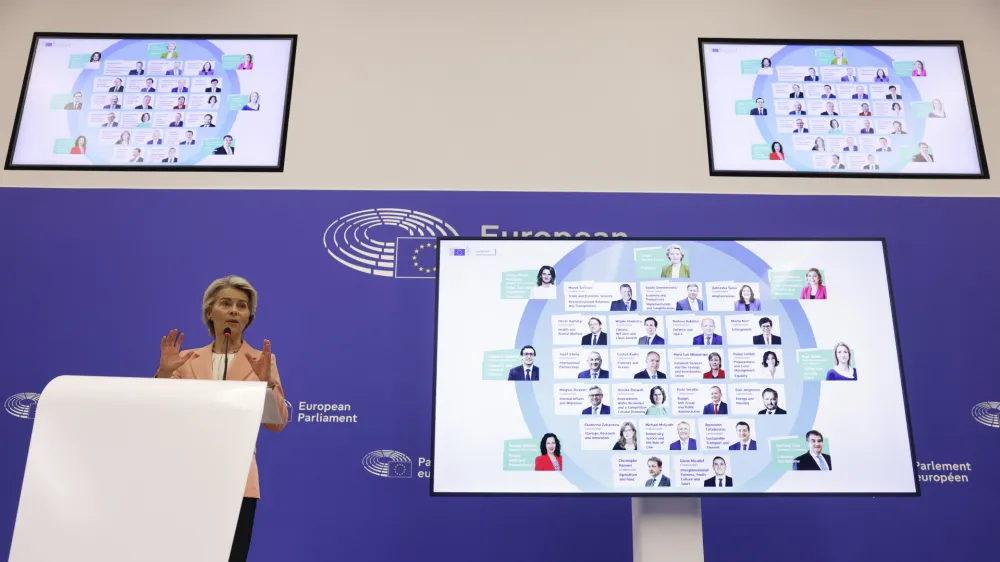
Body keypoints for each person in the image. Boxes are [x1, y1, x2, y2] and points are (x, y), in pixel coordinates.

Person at [153, 275, 288, 562]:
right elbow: (159, 412)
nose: (234, 311)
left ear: (249, 316)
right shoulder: (185, 360)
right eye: (226, 303)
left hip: (239, 479)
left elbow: (275, 423)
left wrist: (267, 384)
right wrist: (164, 374)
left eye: (242, 306)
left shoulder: (261, 361)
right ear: (209, 312)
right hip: (188, 476)